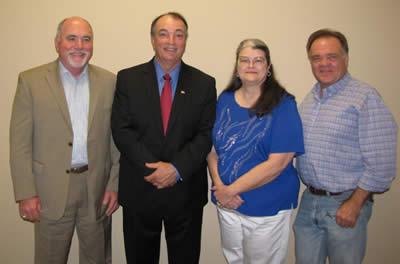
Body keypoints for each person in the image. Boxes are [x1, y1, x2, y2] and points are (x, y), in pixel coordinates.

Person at [9, 16, 119, 264]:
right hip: (50, 191)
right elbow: (20, 144)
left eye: (86, 39)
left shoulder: (109, 82)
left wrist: (114, 184)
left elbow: (116, 140)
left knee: (98, 259)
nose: (79, 45)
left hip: (96, 189)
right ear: (57, 43)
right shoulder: (31, 81)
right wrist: (26, 192)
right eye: (71, 38)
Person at [111, 12, 217, 264]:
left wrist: (176, 168)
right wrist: (154, 169)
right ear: (152, 39)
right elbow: (121, 130)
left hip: (185, 193)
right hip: (140, 189)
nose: (172, 41)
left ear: (186, 40)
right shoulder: (128, 79)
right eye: (164, 33)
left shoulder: (204, 83)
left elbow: (205, 134)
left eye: (179, 34)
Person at [294, 29, 398, 264]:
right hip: (310, 200)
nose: (324, 64)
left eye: (332, 56)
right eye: (316, 58)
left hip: (345, 203)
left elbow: (382, 163)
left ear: (346, 58)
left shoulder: (364, 98)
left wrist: (355, 202)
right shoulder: (310, 100)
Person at [207, 39, 304, 264]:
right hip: (228, 205)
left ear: (268, 67)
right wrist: (220, 186)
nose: (251, 65)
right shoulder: (225, 100)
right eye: (245, 60)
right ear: (237, 67)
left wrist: (230, 190)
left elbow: (277, 164)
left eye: (258, 60)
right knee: (234, 260)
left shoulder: (284, 105)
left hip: (266, 207)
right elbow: (212, 149)